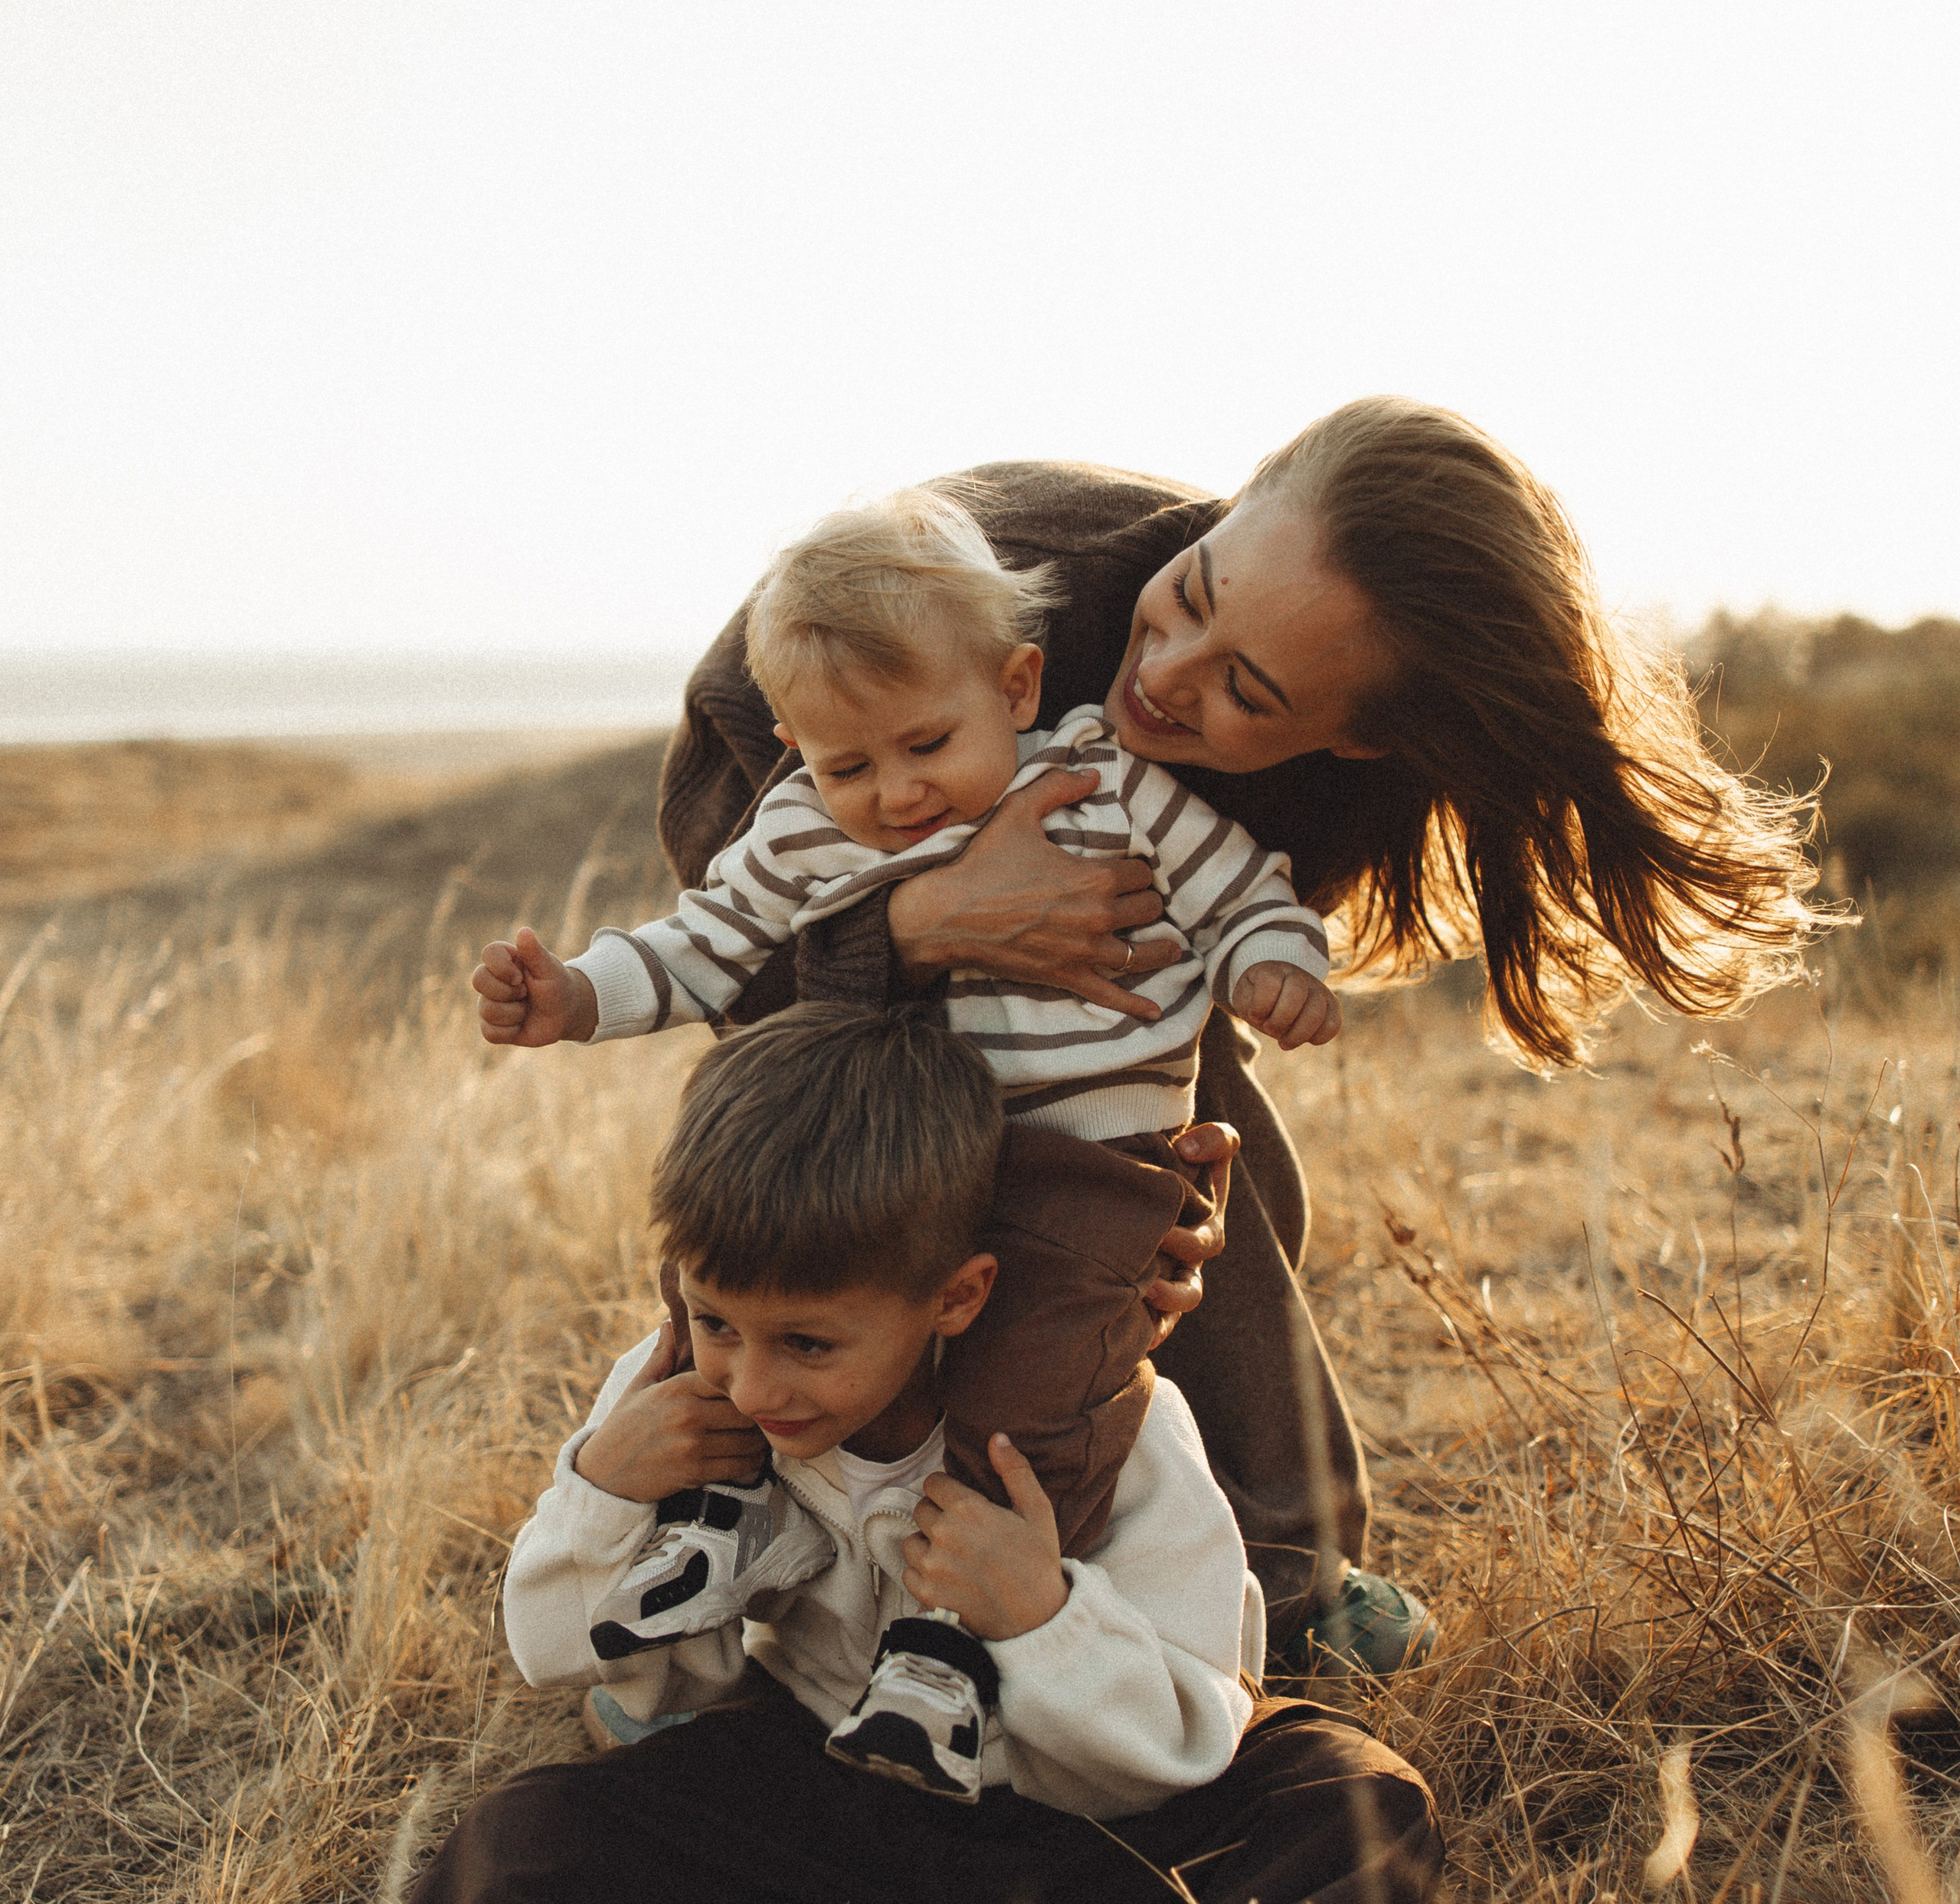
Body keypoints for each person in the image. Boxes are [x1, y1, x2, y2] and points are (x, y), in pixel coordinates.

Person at [123, 1007, 1443, 1904]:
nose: (753, 1383)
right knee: (536, 1834)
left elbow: (1189, 1734)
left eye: (807, 1344)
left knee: (1355, 1801)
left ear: (959, 1296)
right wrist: (603, 1489)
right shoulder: (702, 1398)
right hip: (832, 1783)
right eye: (716, 1323)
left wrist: (1038, 1615)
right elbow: (593, 1664)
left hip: (1091, 1811)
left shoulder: (1108, 1434)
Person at [597, 396, 1827, 1668]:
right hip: (814, 877)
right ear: (1225, 512)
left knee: (1199, 1196)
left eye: (1246, 689)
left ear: (1358, 734)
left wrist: (1149, 1211)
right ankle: (703, 1526)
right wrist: (921, 926)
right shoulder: (1017, 611)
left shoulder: (1339, 788)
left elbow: (1174, 1030)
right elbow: (731, 959)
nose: (1167, 674)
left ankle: (1282, 1566)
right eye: (1190, 595)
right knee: (820, 1208)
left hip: (1107, 965)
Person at [473, 488, 1359, 1790]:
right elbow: (701, 950)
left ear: (1016, 684)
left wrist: (1279, 968)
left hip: (1090, 1172)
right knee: (741, 1278)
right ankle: (711, 1523)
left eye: (925, 745)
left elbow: (1242, 898)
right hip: (890, 1145)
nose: (892, 794)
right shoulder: (797, 827)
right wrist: (576, 997)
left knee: (1036, 1389)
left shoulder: (1105, 789)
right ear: (792, 747)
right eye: (846, 765)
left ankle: (949, 1644)